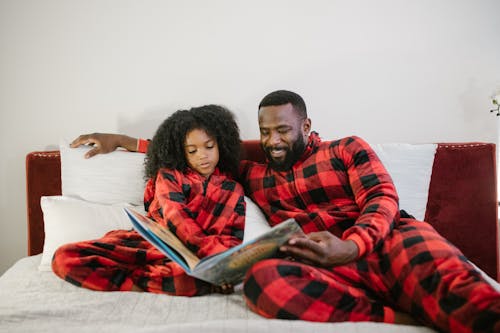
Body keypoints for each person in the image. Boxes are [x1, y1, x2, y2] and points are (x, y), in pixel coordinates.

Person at [70, 91, 500, 332]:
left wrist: (352, 245)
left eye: (282, 130)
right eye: (264, 132)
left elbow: (382, 200)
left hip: (386, 241)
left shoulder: (347, 148)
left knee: (467, 295)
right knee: (263, 282)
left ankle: (424, 300)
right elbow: (193, 149)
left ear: (307, 127)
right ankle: (400, 316)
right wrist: (125, 141)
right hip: (323, 266)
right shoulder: (253, 174)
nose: (272, 140)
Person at [52, 104, 245, 296]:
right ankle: (139, 283)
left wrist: (226, 268)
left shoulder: (232, 189)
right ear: (180, 152)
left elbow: (231, 236)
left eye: (209, 146)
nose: (203, 155)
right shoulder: (170, 175)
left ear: (221, 143)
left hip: (190, 259)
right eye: (192, 151)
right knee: (64, 257)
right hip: (148, 244)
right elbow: (176, 219)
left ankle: (141, 280)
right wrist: (216, 259)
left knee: (184, 279)